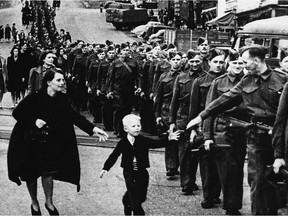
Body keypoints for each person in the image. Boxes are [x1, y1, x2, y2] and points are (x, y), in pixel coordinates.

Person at [186, 45, 288, 215]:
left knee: (279, 182)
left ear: (256, 60)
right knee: (257, 182)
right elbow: (226, 98)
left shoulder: (282, 79)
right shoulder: (246, 81)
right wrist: (202, 115)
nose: (243, 65)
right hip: (257, 137)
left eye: (245, 62)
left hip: (282, 136)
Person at [8, 69, 108, 215]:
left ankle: (49, 202)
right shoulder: (35, 97)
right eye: (59, 80)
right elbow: (17, 113)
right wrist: (34, 121)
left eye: (63, 80)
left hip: (48, 142)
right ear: (49, 82)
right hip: (29, 141)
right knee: (30, 174)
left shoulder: (62, 99)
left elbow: (74, 116)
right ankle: (34, 203)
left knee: (47, 172)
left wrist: (93, 129)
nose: (62, 83)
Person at [99, 114, 180, 215]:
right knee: (135, 200)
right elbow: (114, 155)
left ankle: (126, 201)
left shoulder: (143, 140)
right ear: (126, 128)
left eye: (138, 125)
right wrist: (105, 168)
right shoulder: (123, 142)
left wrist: (168, 139)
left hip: (142, 172)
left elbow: (156, 143)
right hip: (129, 173)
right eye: (133, 126)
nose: (137, 128)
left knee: (141, 196)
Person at [202, 50, 246, 215]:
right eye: (234, 63)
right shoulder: (219, 83)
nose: (237, 66)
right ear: (228, 64)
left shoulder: (249, 82)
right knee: (227, 168)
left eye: (241, 63)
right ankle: (231, 206)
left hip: (242, 130)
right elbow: (209, 110)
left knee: (238, 168)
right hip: (222, 128)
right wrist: (207, 136)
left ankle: (233, 203)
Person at [169, 50, 204, 195]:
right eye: (192, 61)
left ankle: (192, 180)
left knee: (196, 152)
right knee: (184, 152)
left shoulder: (206, 78)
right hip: (183, 118)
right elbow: (174, 100)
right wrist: (171, 121)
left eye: (197, 61)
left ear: (201, 61)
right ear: (187, 62)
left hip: (200, 117)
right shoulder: (181, 77)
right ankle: (186, 182)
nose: (195, 64)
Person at [155, 51, 182, 178]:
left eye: (179, 59)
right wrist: (157, 115)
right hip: (166, 111)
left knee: (181, 139)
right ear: (170, 61)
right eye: (174, 60)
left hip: (180, 112)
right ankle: (171, 167)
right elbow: (158, 97)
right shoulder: (164, 77)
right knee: (170, 138)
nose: (177, 62)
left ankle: (180, 165)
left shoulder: (184, 76)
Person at [107, 44, 141, 138]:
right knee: (119, 109)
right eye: (124, 50)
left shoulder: (134, 62)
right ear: (120, 51)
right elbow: (110, 78)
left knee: (127, 109)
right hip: (118, 88)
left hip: (129, 88)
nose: (126, 52)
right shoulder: (115, 63)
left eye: (127, 50)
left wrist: (139, 86)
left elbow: (138, 76)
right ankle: (119, 130)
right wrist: (109, 90)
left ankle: (125, 129)